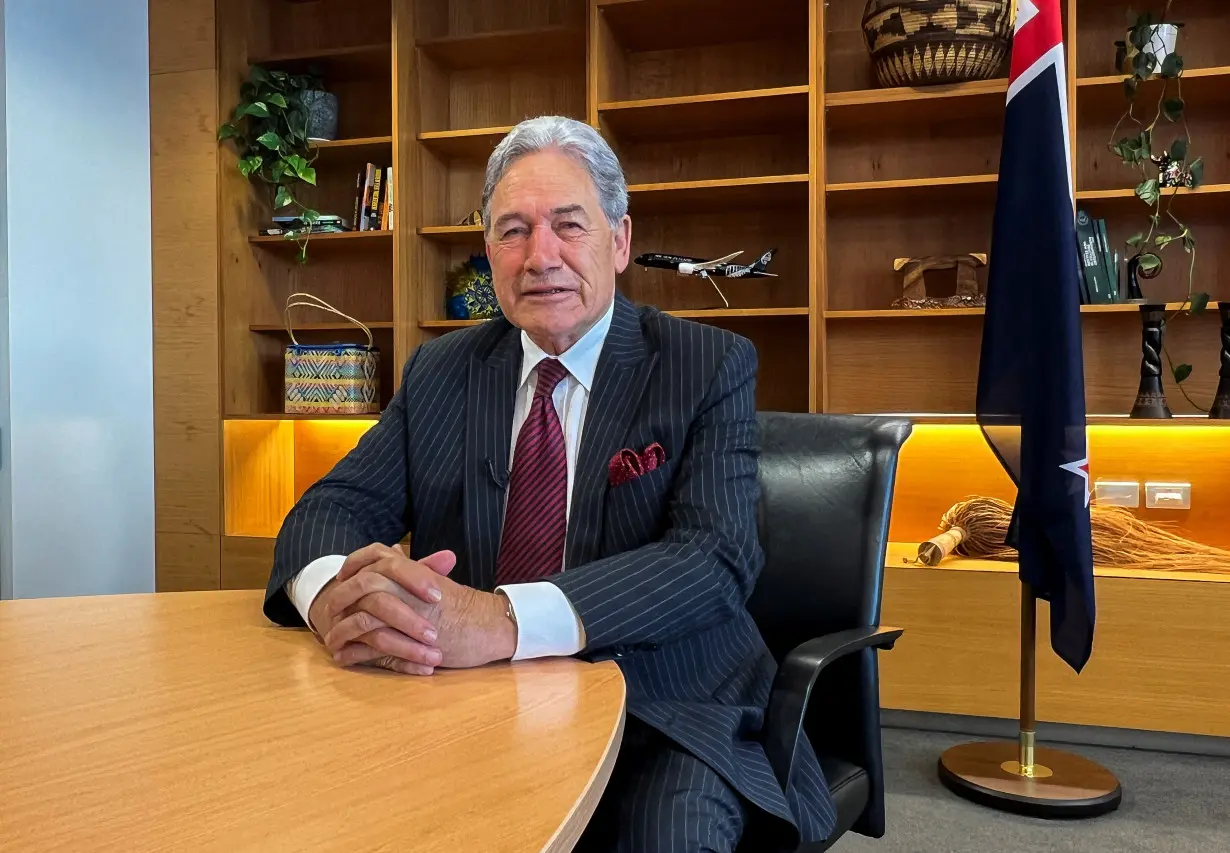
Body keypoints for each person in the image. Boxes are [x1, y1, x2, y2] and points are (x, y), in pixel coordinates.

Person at [263, 115, 835, 852]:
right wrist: (338, 602)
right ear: (488, 251)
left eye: (569, 225)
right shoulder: (442, 371)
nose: (542, 257)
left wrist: (501, 619)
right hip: (473, 702)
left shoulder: (706, 364)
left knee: (669, 836)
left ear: (619, 240)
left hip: (664, 706)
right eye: (512, 230)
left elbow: (714, 557)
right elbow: (328, 509)